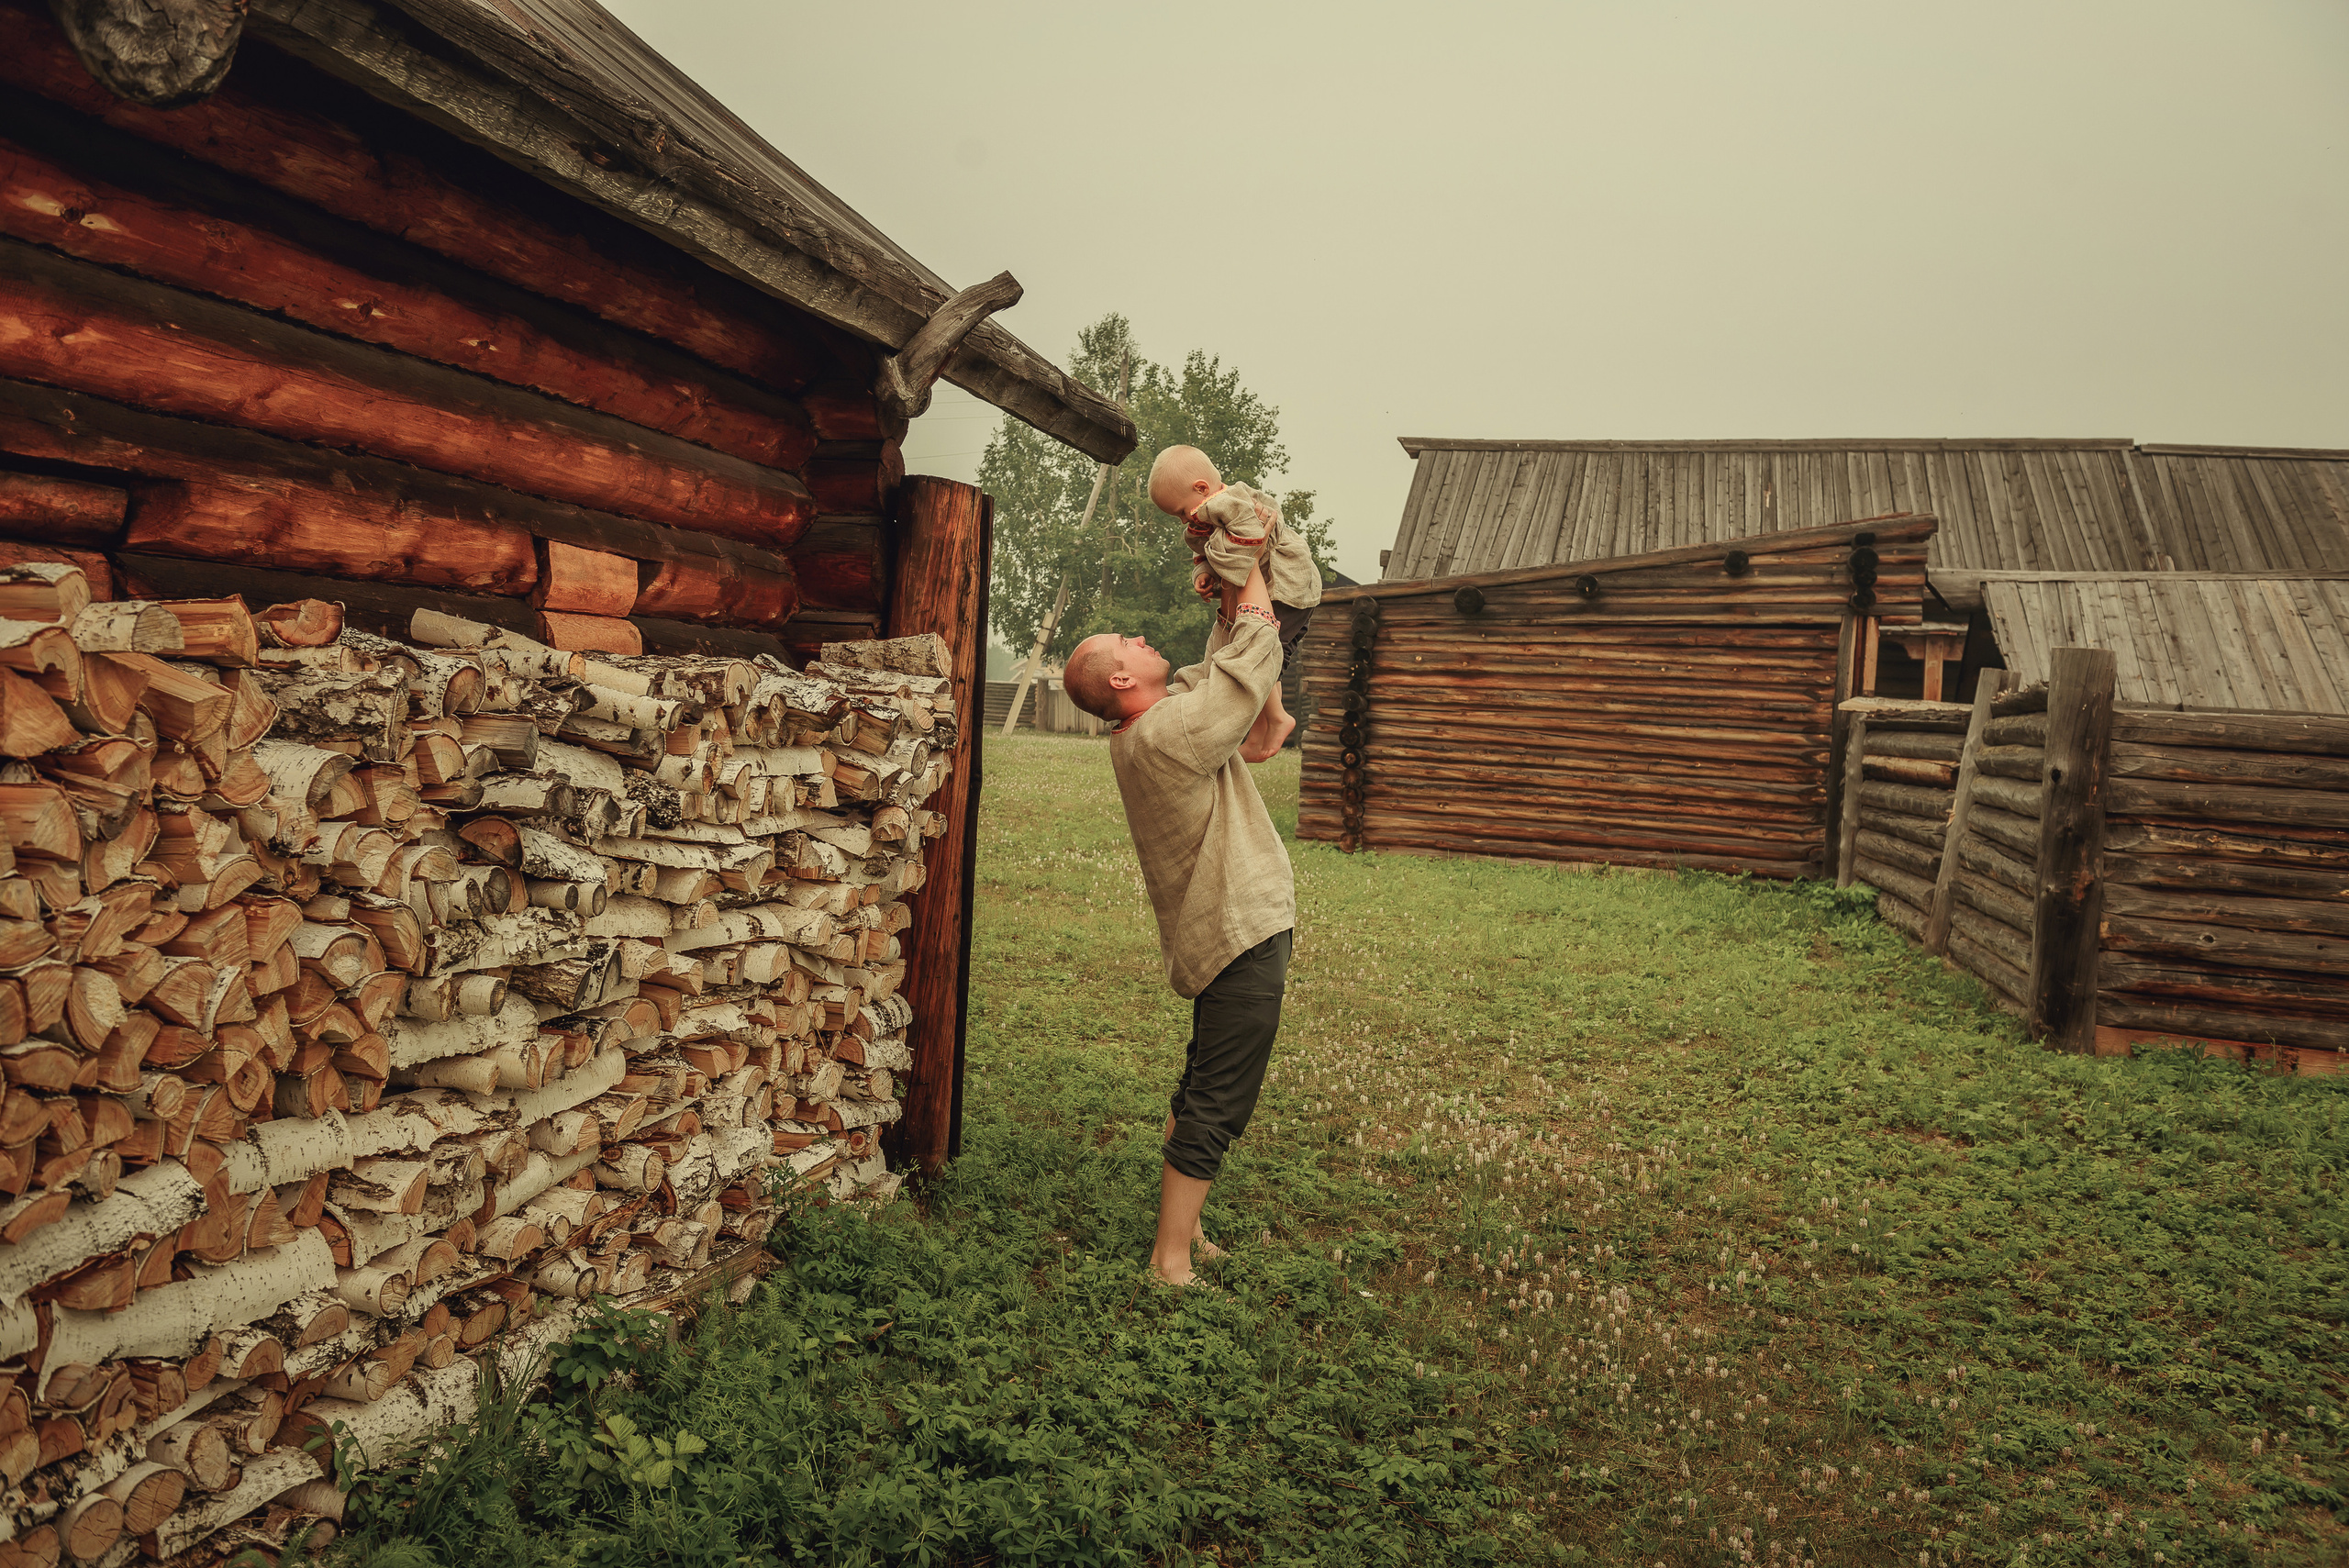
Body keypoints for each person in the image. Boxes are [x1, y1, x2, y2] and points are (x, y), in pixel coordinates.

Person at [1062, 557, 1295, 1287]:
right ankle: (1171, 1260)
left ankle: (1185, 1231)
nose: (1138, 636)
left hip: (1222, 933)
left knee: (1202, 1081)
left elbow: (1219, 669)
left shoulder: (1157, 726)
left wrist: (1226, 591)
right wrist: (1246, 560)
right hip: (1239, 931)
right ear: (1121, 679)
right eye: (1125, 642)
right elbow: (1250, 659)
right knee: (1220, 1097)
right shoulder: (1168, 734)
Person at [1146, 445, 1321, 762]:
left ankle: (1278, 719)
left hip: (1286, 588)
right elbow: (1209, 550)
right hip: (1281, 590)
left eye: (1181, 511)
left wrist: (1226, 573)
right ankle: (1260, 728)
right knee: (1264, 658)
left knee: (1258, 654)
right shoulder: (1210, 513)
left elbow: (1249, 540)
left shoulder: (1230, 503)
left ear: (1202, 489)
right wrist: (1204, 572)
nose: (1183, 520)